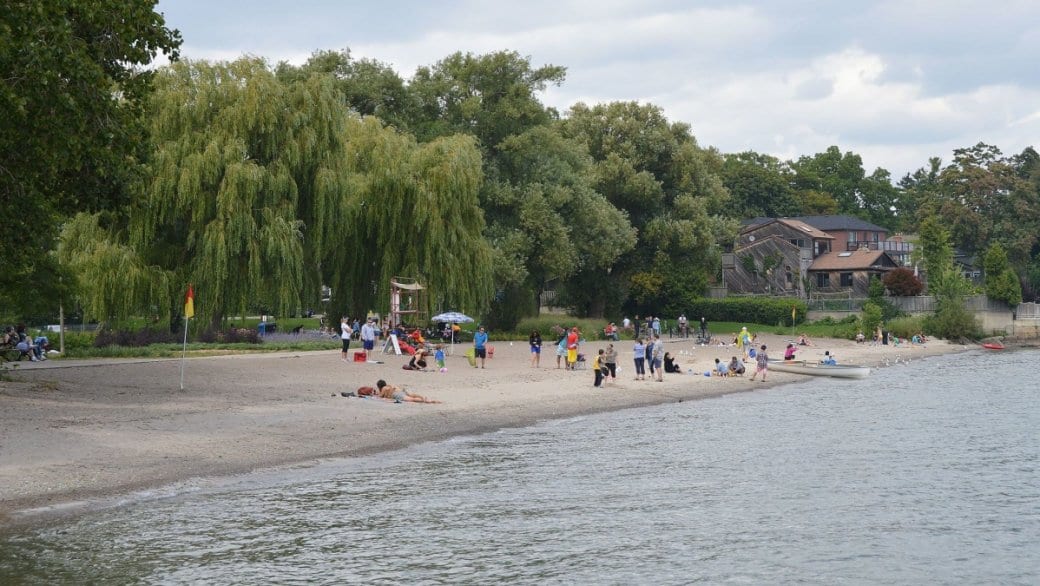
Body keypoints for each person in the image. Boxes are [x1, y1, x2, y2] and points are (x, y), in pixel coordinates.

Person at [376, 379, 441, 403]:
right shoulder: (389, 385)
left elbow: (380, 396)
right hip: (401, 390)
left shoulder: (384, 388)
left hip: (397, 394)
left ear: (379, 386)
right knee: (411, 395)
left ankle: (425, 400)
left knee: (411, 399)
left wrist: (375, 395)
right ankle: (423, 397)